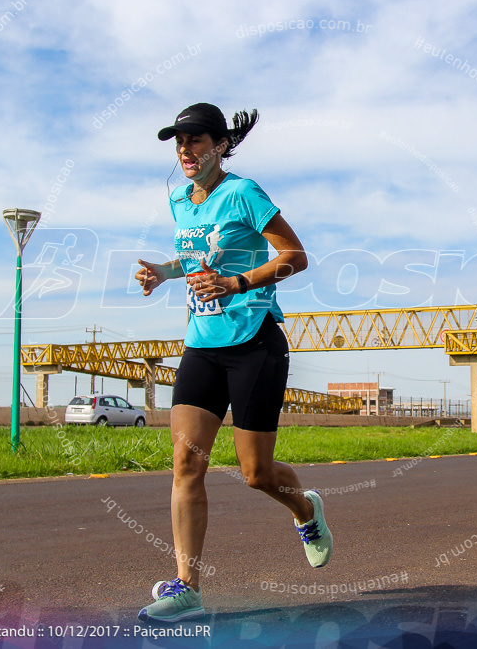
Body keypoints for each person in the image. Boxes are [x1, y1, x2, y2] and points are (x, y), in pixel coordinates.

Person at [133, 103, 332, 622]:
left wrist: (237, 284)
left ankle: (306, 510)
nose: (184, 151)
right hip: (202, 344)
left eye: (195, 141)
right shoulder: (180, 200)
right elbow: (201, 258)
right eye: (178, 143)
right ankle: (186, 587)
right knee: (186, 464)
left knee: (255, 473)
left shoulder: (244, 193)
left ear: (220, 145)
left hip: (254, 343)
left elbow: (295, 255)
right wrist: (165, 271)